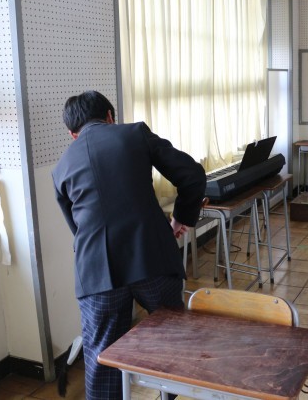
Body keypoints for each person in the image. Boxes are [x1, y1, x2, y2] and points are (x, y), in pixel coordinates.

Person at [52, 90, 206, 399]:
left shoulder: (61, 168)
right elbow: (192, 175)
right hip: (151, 259)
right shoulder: (135, 133)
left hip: (98, 274)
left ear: (72, 133)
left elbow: (78, 229)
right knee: (170, 340)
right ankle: (168, 395)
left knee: (103, 359)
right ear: (110, 116)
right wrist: (181, 218)